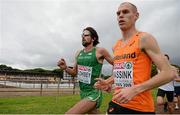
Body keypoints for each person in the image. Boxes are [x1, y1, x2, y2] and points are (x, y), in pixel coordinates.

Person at [94, 2, 177, 114]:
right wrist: (108, 82)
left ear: (136, 16)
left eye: (125, 12)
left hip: (140, 108)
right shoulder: (116, 45)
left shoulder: (144, 38)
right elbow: (122, 71)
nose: (121, 15)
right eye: (118, 13)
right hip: (116, 102)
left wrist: (134, 90)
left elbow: (168, 73)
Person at [57, 27, 113, 114]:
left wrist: (108, 81)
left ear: (93, 38)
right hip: (83, 92)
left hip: (94, 92)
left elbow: (117, 65)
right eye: (82, 35)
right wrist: (65, 68)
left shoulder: (100, 51)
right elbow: (74, 73)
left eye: (86, 35)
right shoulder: (78, 53)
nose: (83, 37)